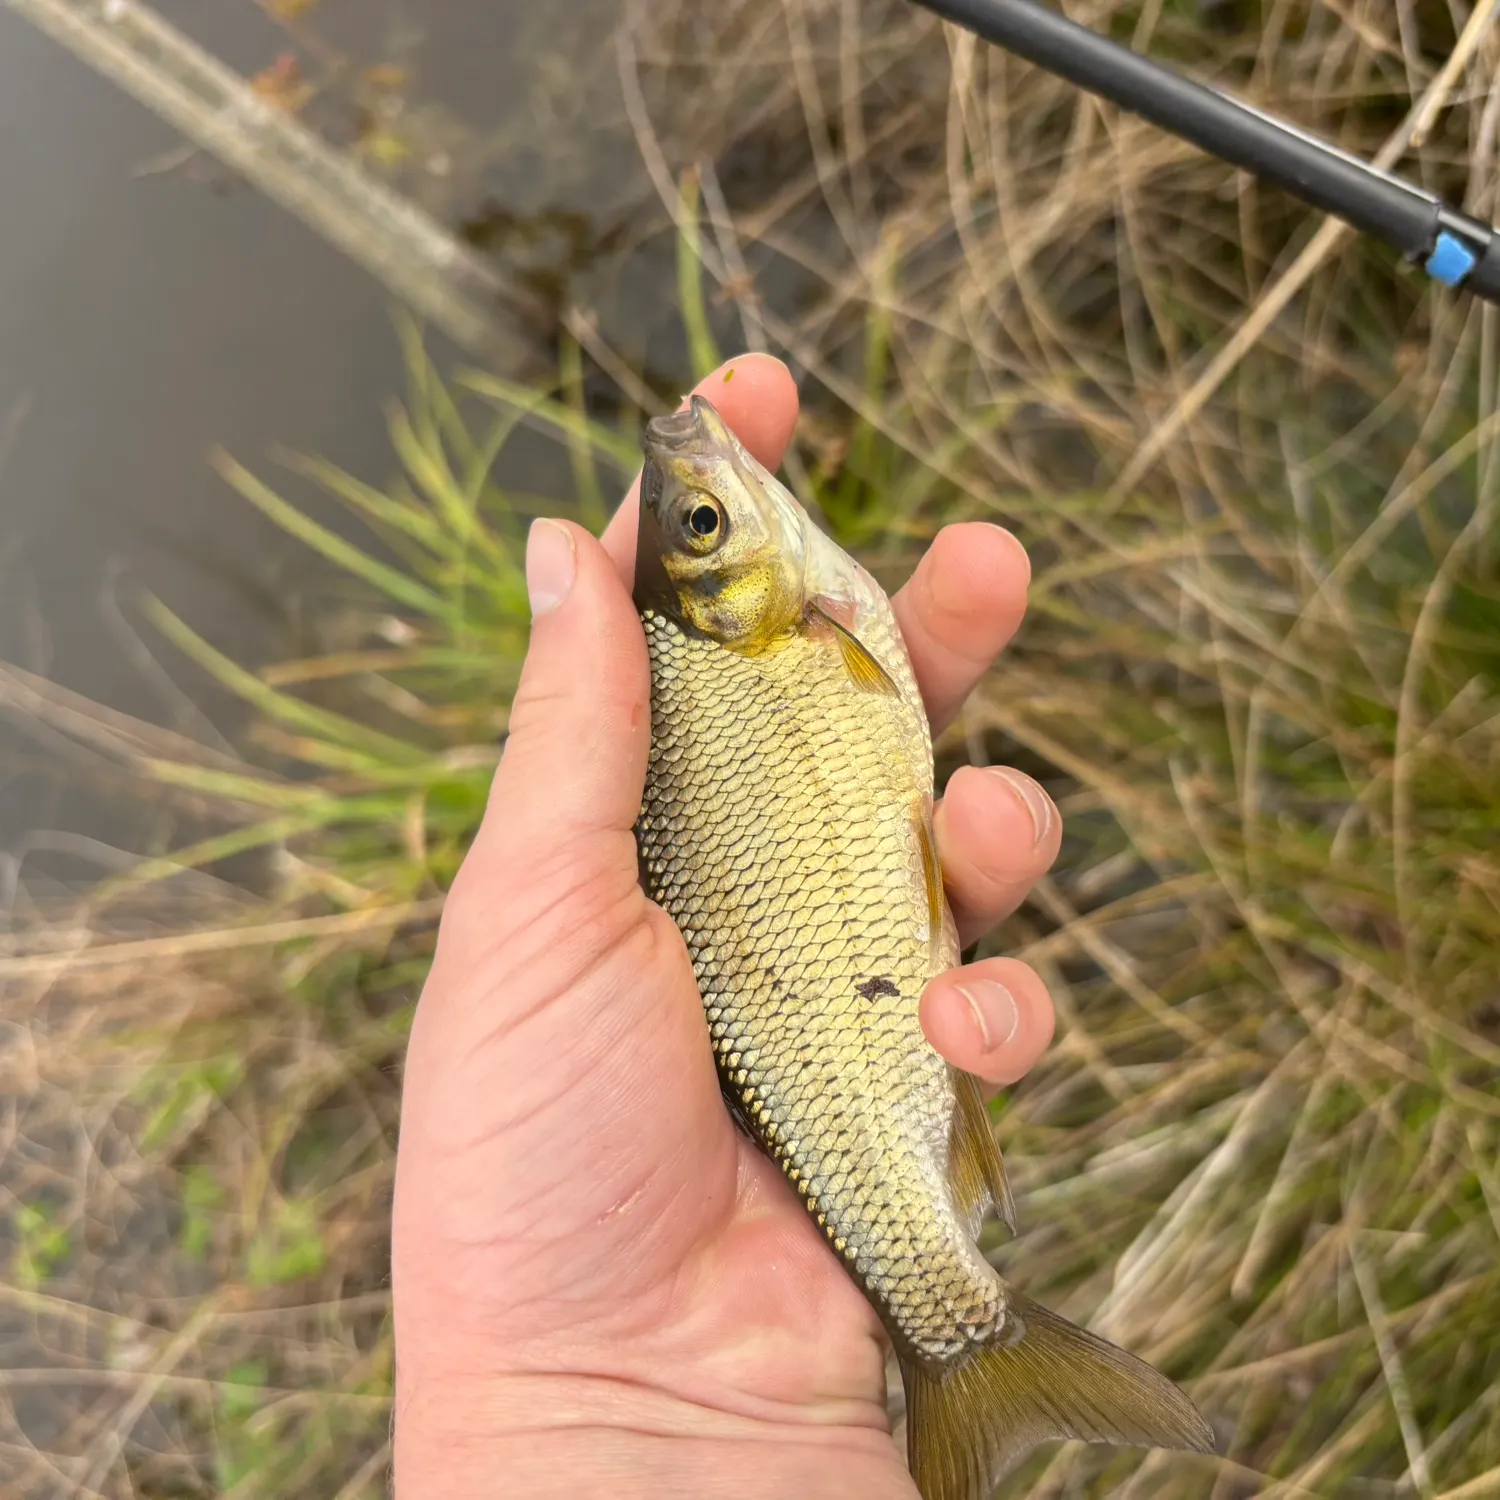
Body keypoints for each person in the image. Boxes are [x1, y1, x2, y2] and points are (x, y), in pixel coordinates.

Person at [390, 353, 1060, 1497]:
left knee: (983, 854)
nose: (711, 492)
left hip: (814, 1057)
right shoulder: (789, 623)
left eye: (698, 522)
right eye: (706, 523)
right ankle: (964, 1343)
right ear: (728, 591)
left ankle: (958, 1336)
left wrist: (548, 1405)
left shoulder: (759, 632)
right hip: (802, 1087)